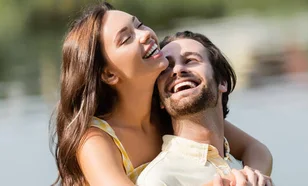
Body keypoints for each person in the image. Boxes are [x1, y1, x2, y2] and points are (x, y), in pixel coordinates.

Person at [52, 2, 272, 186]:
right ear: (109, 74)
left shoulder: (165, 107)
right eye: (126, 38)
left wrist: (248, 177)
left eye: (138, 25)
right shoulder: (95, 139)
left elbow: (256, 149)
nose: (145, 35)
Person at [137, 31, 273, 186]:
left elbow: (257, 149)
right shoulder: (159, 179)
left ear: (222, 81)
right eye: (167, 68)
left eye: (190, 60)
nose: (177, 70)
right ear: (160, 99)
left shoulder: (244, 168)